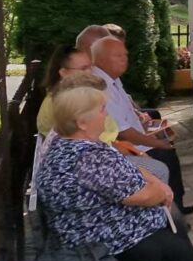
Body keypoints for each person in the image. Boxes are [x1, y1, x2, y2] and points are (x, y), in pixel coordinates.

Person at [37, 85, 193, 261]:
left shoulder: (74, 144)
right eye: (101, 109)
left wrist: (154, 183)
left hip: (95, 226)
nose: (106, 114)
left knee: (174, 236)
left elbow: (131, 172)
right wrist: (161, 190)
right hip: (93, 239)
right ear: (82, 122)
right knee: (177, 254)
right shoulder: (87, 157)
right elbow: (143, 196)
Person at [36, 47, 171, 186]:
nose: (89, 73)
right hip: (91, 164)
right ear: (63, 72)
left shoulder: (74, 96)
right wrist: (136, 152)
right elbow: (95, 148)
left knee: (157, 164)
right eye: (83, 69)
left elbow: (103, 140)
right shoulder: (68, 103)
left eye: (90, 67)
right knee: (159, 168)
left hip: (101, 155)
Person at [91, 36, 193, 214]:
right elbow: (123, 133)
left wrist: (143, 121)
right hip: (124, 147)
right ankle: (173, 211)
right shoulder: (102, 85)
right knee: (166, 154)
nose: (125, 59)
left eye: (125, 54)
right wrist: (157, 143)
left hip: (132, 140)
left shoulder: (113, 78)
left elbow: (127, 111)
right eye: (118, 56)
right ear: (101, 59)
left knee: (163, 137)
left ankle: (176, 206)